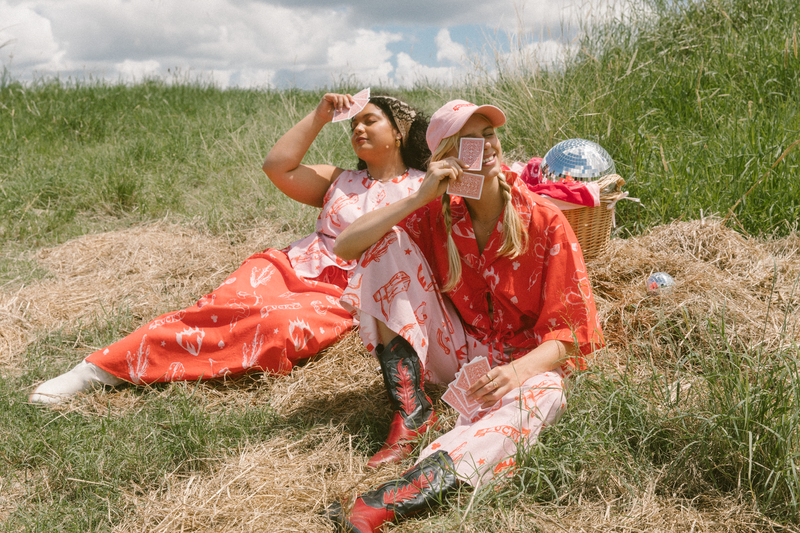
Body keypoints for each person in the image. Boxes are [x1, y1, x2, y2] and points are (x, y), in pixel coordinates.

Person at [29, 93, 432, 411]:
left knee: (277, 327)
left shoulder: (422, 185)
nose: (358, 128)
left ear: (399, 131)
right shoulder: (339, 179)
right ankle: (100, 369)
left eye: (370, 120)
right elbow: (277, 167)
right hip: (290, 267)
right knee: (224, 305)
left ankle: (160, 369)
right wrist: (320, 115)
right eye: (355, 123)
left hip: (344, 291)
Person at [326, 99, 604, 532]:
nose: (485, 146)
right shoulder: (437, 213)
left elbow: (571, 333)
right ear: (446, 158)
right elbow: (347, 247)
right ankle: (414, 414)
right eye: (467, 141)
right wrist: (419, 197)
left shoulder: (545, 220)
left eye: (488, 134)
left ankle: (393, 498)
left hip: (526, 364)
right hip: (459, 350)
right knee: (383, 244)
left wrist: (516, 373)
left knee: (547, 394)